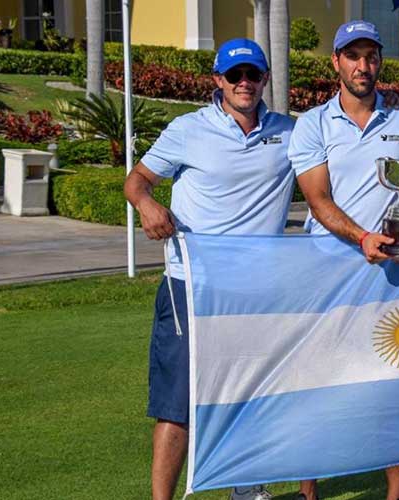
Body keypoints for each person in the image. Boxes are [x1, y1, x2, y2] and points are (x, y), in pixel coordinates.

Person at [123, 38, 293, 500]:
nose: (244, 84)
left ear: (264, 79)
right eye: (234, 76)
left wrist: (387, 98)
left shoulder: (291, 132)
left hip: (256, 291)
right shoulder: (187, 129)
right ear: (217, 80)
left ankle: (247, 489)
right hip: (189, 285)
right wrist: (147, 204)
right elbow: (136, 180)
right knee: (176, 405)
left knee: (251, 394)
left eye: (252, 75)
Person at [288, 20, 399, 500]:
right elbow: (318, 198)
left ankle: (394, 495)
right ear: (337, 63)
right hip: (324, 271)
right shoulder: (311, 124)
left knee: (392, 387)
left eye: (371, 56)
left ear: (379, 62)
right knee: (317, 385)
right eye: (353, 56)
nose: (363, 66)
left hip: (391, 274)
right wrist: (362, 237)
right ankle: (309, 491)